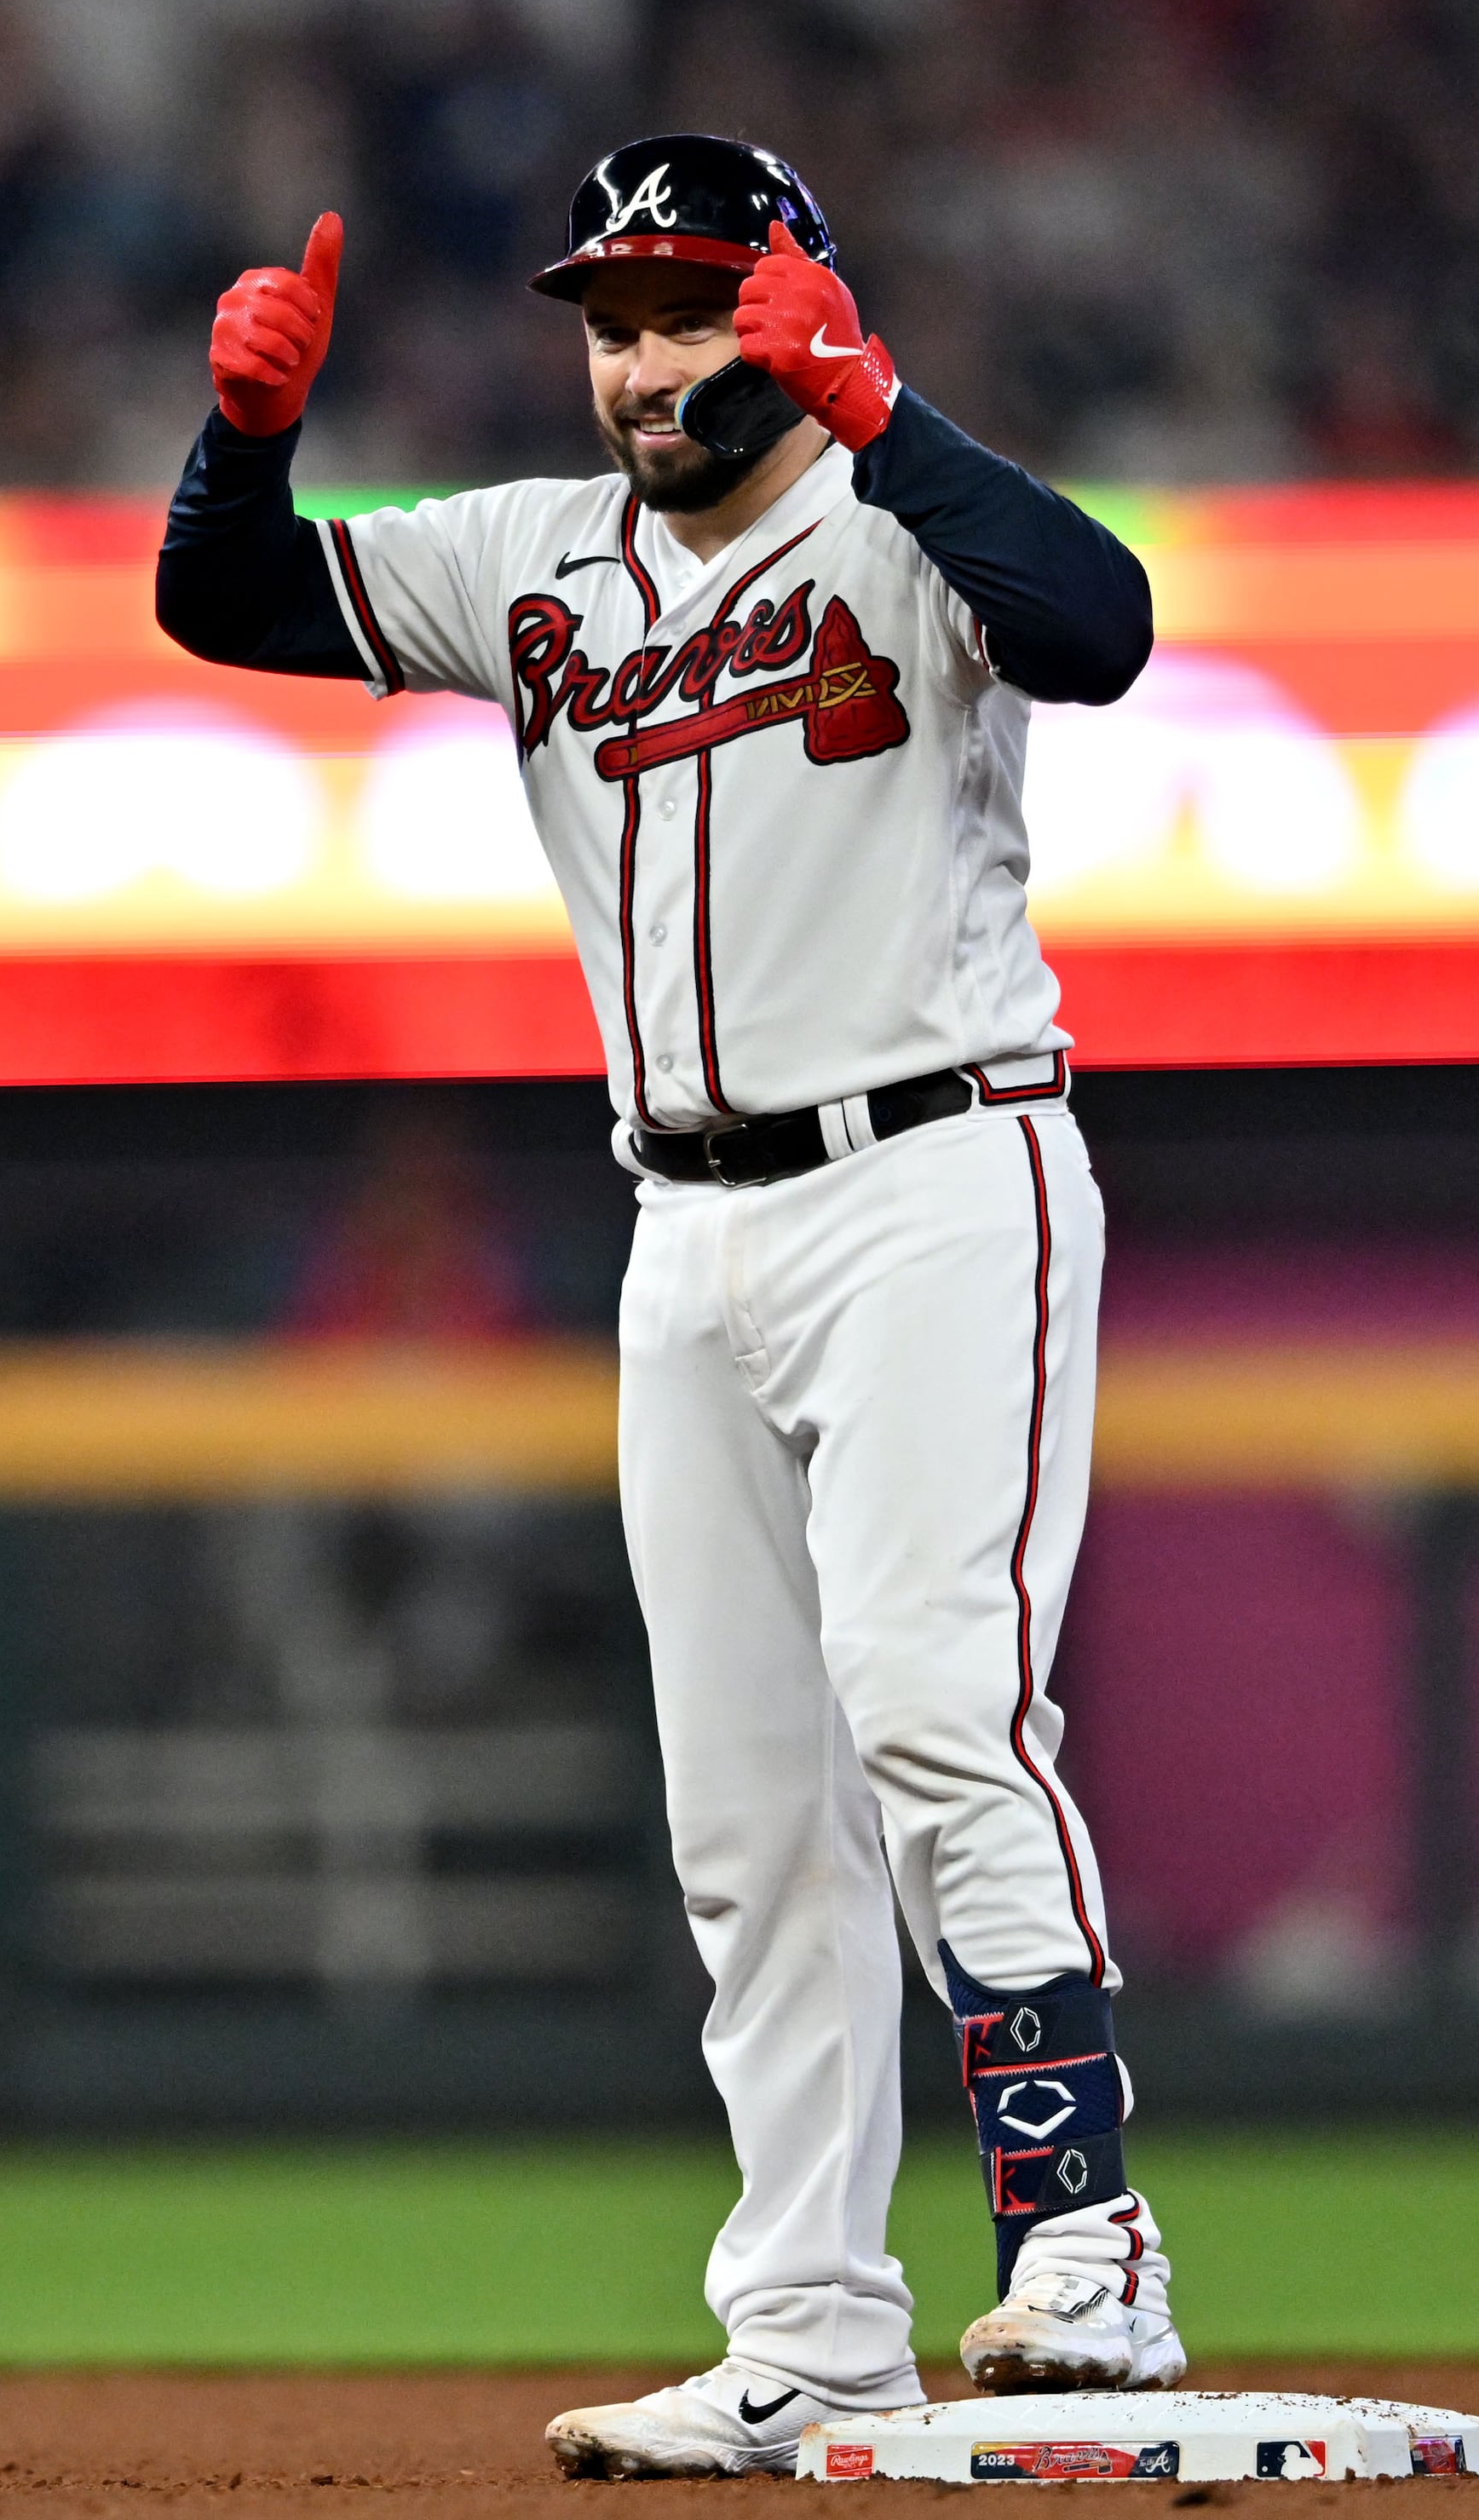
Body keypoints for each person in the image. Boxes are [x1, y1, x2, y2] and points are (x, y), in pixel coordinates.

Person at [158, 135, 1174, 2477]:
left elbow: (1105, 627)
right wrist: (244, 435)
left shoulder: (903, 524)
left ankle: (1089, 2249)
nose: (635, 358)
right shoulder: (535, 559)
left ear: (795, 298)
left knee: (935, 1704)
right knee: (748, 1817)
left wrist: (885, 407)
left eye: (684, 304)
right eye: (607, 317)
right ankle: (811, 2331)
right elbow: (229, 604)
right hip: (684, 1231)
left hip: (939, 1171)